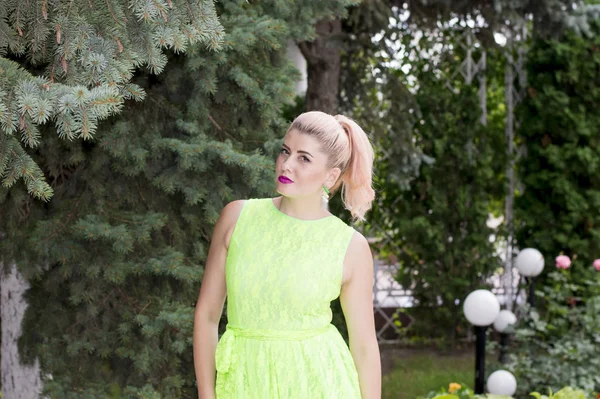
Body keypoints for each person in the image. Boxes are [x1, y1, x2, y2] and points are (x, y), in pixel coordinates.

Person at [193, 111, 381, 398]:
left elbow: (365, 347)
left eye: (304, 158)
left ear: (330, 176)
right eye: (285, 151)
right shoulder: (236, 217)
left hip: (319, 385)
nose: (287, 164)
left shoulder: (350, 246)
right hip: (243, 383)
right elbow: (206, 316)